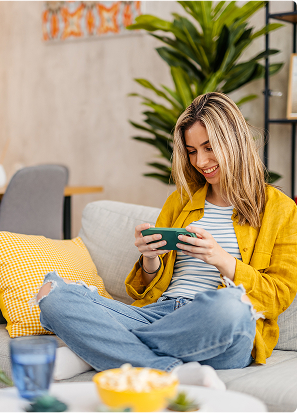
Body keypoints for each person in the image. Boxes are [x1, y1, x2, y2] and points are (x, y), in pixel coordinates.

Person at [37, 92, 297, 388]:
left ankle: (95, 351)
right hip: (161, 314)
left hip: (220, 323)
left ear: (233, 141)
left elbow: (278, 296)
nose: (201, 161)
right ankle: (165, 368)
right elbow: (144, 290)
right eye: (192, 150)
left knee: (232, 306)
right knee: (53, 293)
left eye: (209, 147)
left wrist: (221, 259)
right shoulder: (180, 202)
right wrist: (150, 259)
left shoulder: (280, 209)